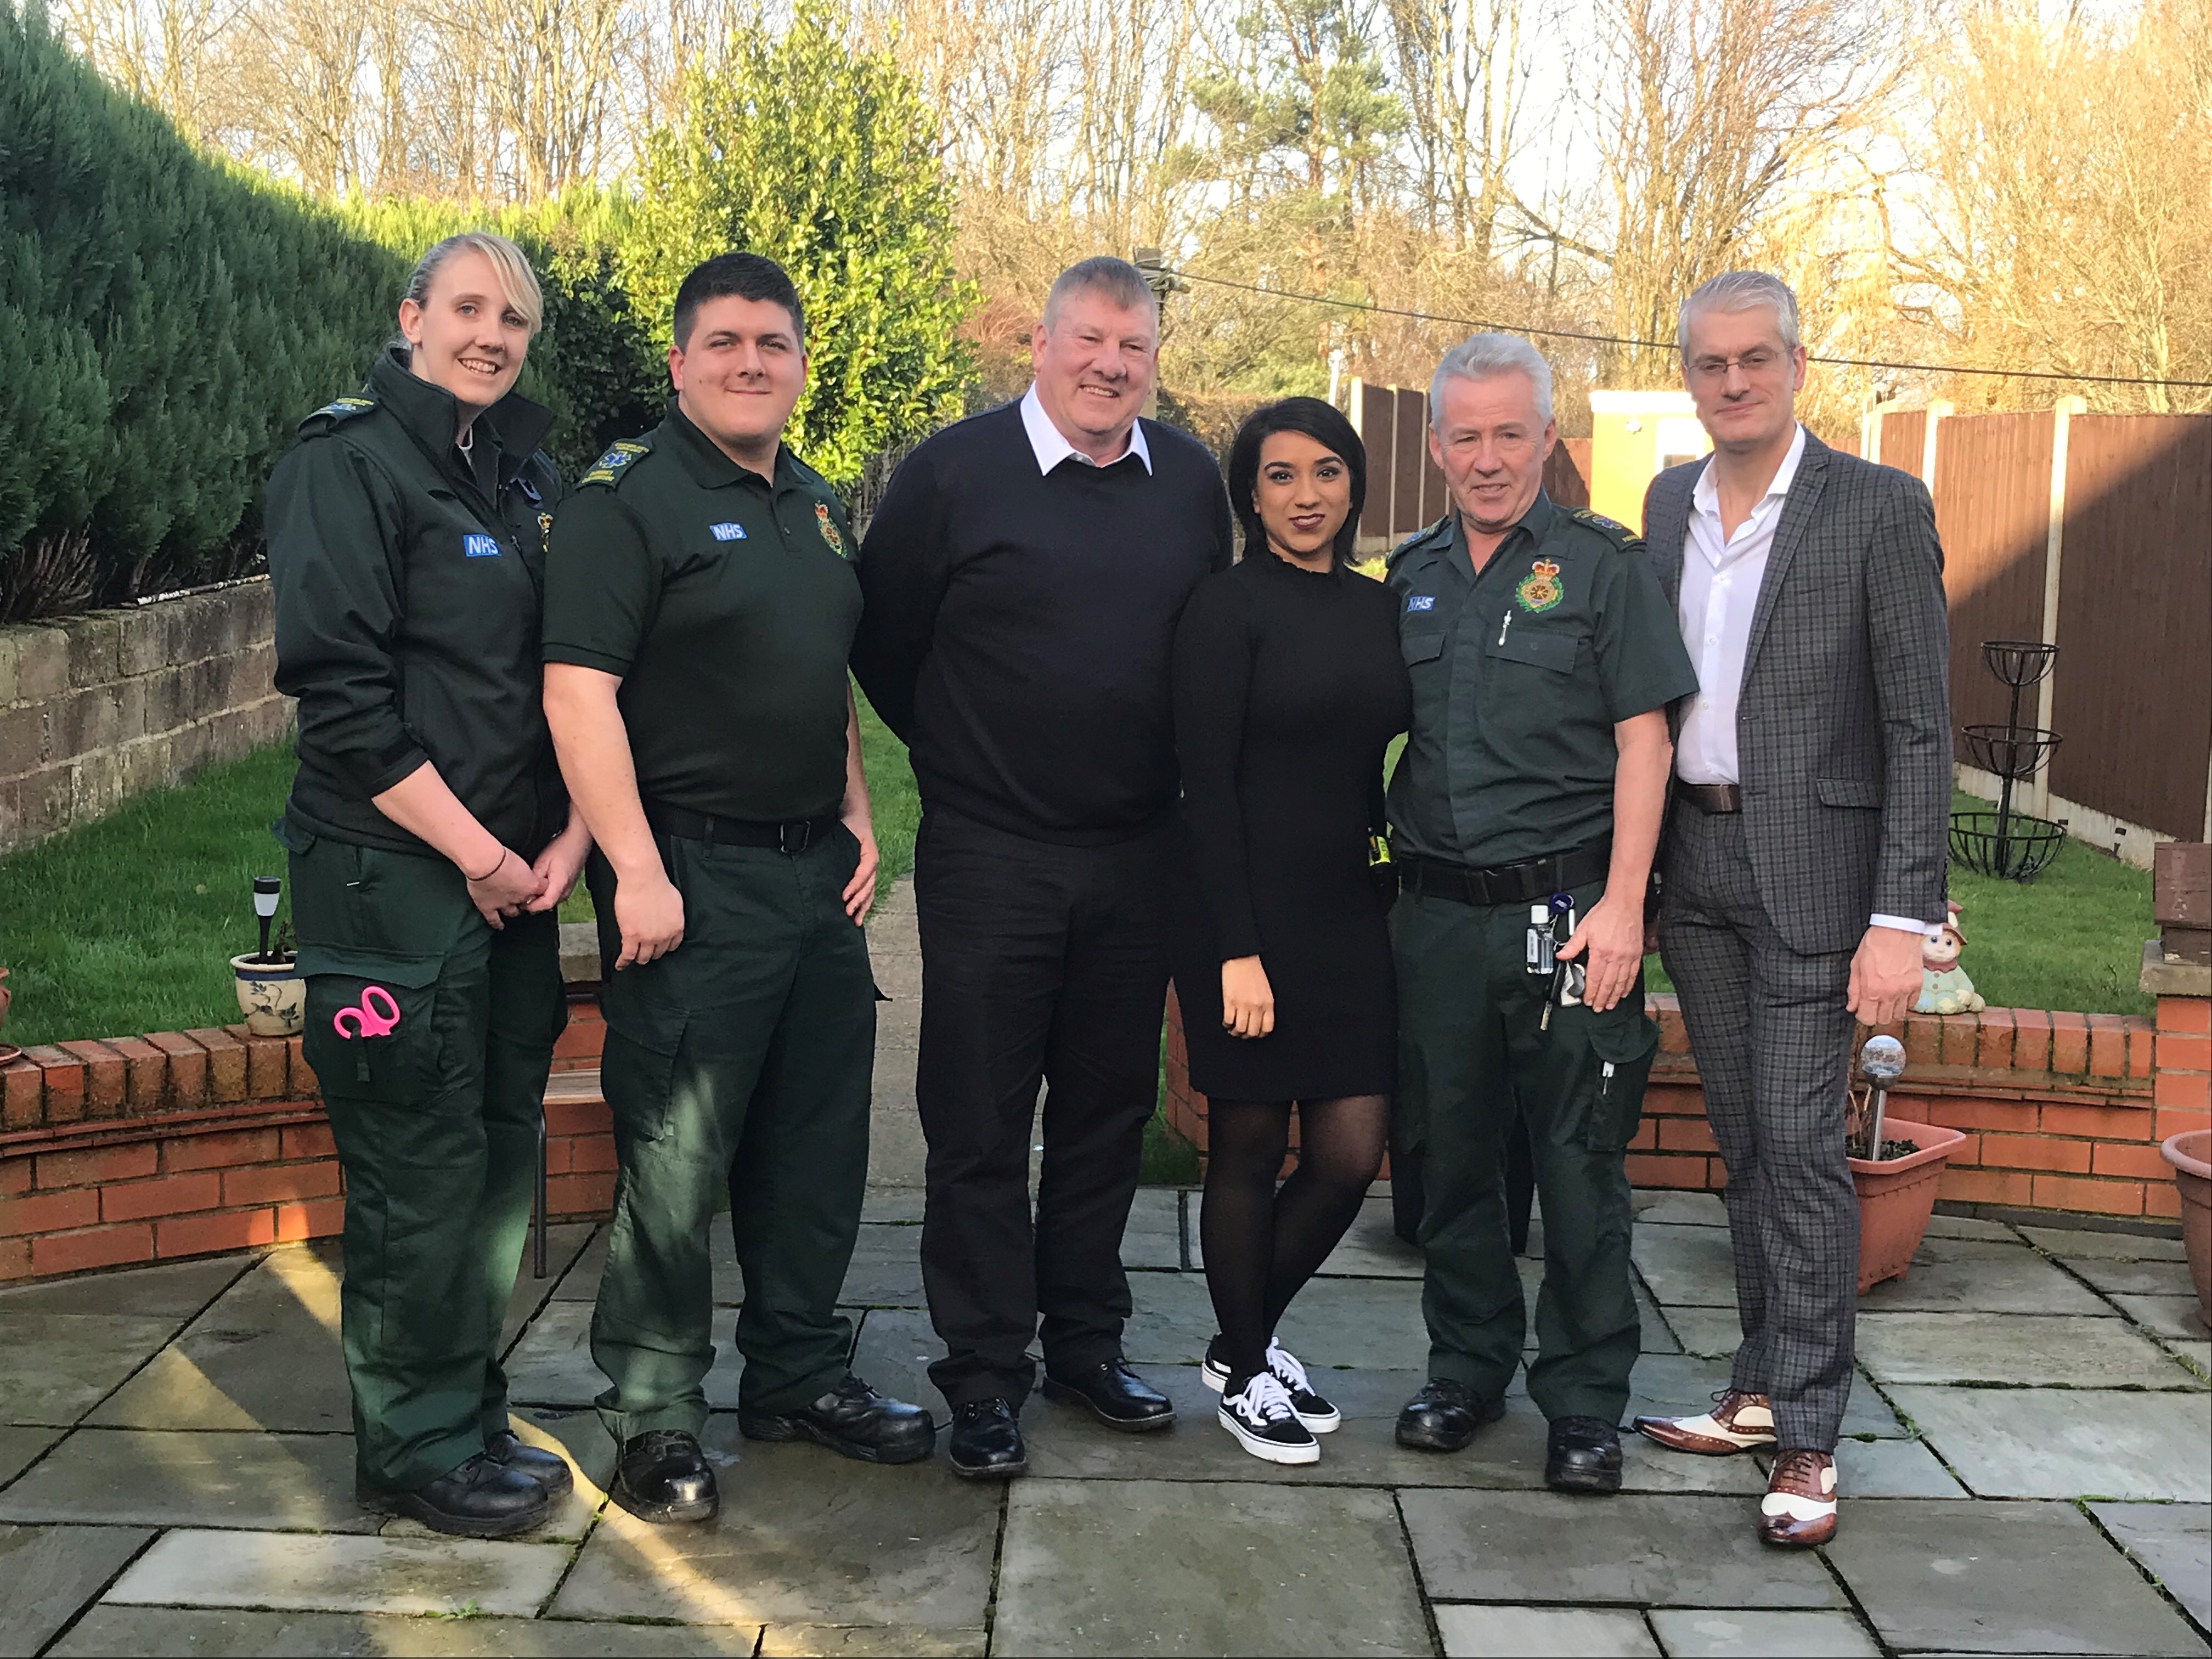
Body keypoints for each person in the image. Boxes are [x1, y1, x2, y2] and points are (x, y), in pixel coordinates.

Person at [541, 252, 932, 1526]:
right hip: (690, 876)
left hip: (812, 877)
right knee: (676, 1158)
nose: (751, 362)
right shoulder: (626, 501)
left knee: (816, 1145)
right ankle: (655, 1419)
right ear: (679, 363)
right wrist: (638, 871)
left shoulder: (814, 505)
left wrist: (859, 799)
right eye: (724, 343)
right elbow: (577, 692)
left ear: (802, 363)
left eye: (774, 342)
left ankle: (800, 1374)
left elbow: (815, 672)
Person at [853, 257, 1234, 1480]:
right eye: (1090, 340)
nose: (1111, 366)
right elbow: (886, 643)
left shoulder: (1187, 484)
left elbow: (1202, 652)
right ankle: (982, 1376)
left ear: (1154, 360)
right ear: (1044, 344)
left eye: (1135, 347)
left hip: (1137, 859)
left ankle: (1085, 1344)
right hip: (991, 854)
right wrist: (967, 752)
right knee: (975, 1122)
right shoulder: (951, 475)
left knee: (1104, 1120)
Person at [268, 233, 591, 1537]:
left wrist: (558, 850)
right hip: (394, 881)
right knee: (414, 1165)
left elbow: (564, 677)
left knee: (497, 1155)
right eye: (466, 309)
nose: (491, 336)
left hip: (511, 878)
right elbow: (342, 703)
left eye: (512, 319)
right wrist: (480, 854)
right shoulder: (343, 463)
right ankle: (409, 1448)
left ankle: (463, 1410)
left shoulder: (522, 476)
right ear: (411, 317)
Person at [1632, 271, 1949, 1548]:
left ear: (1797, 366)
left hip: (1821, 877)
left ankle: (1811, 1440)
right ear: (1691, 376)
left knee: (1805, 1155)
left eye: (1755, 360)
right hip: (1694, 873)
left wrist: (1903, 916)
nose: (1733, 383)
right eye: (1710, 364)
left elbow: (1923, 728)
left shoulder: (1878, 508)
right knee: (1749, 1147)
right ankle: (1759, 1387)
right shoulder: (1665, 504)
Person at [1385, 334, 1697, 1494]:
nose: (1487, 456)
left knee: (1579, 1166)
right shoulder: (1411, 575)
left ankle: (1582, 1399)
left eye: (1510, 432)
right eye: (1463, 435)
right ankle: (1466, 1368)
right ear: (1435, 446)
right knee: (1452, 1161)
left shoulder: (1602, 570)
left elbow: (1644, 740)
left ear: (1548, 437)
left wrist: (1626, 903)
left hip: (1570, 916)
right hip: (1435, 918)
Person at [1170, 398, 1410, 1465]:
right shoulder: (1224, 611)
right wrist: (1235, 948)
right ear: (1249, 494)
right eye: (1279, 476)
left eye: (1325, 472)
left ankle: (1241, 1343)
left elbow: (1376, 770)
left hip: (1349, 914)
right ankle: (1249, 1365)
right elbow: (1205, 790)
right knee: (1252, 1142)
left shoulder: (1379, 609)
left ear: (1353, 484)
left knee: (1352, 1151)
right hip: (1244, 913)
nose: (1305, 495)